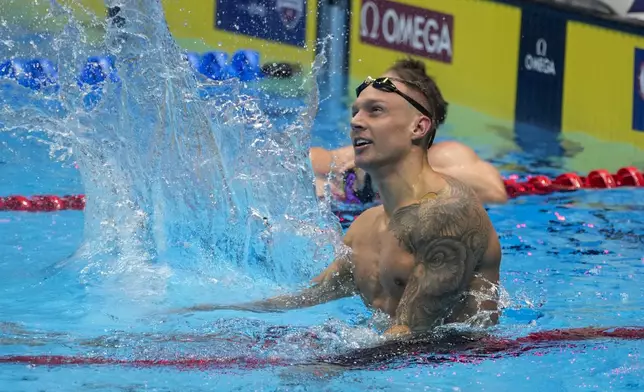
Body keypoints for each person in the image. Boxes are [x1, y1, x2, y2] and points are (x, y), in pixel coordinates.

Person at [179, 59, 502, 338]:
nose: (356, 121)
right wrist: (208, 314)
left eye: (376, 111)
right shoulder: (364, 228)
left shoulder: (448, 213)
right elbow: (306, 297)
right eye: (356, 112)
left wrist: (324, 365)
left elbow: (413, 336)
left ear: (418, 126)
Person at [309, 143, 508, 205]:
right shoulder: (369, 153)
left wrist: (395, 169)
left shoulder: (445, 154)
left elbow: (495, 194)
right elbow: (308, 159)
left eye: (378, 110)